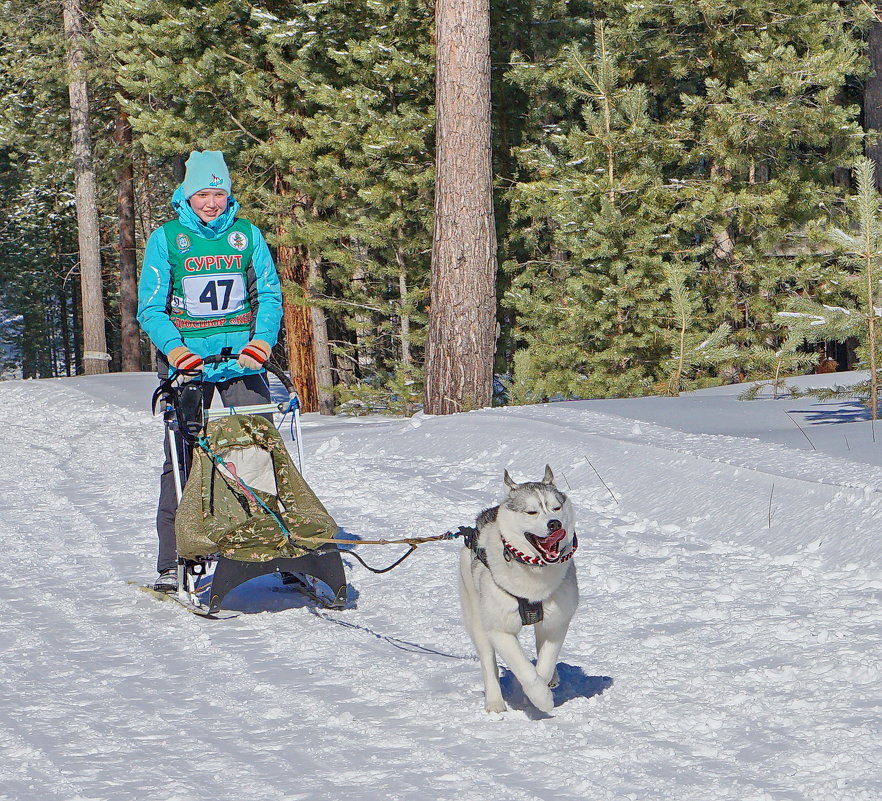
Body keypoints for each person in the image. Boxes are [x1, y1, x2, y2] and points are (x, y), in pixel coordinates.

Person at [137, 150, 283, 592]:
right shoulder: (167, 239)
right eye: (203, 193)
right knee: (182, 459)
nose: (211, 202)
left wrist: (262, 343)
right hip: (188, 365)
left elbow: (269, 297)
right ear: (187, 194)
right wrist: (176, 350)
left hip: (241, 360)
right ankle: (175, 557)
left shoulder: (247, 235)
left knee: (257, 452)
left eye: (219, 193)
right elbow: (151, 308)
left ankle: (272, 544)